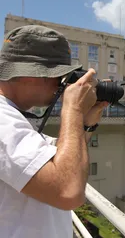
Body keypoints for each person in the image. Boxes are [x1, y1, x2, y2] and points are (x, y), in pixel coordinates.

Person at [0, 25, 108, 238]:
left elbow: (61, 160)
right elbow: (67, 192)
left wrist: (86, 123)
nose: (62, 86)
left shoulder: (12, 117)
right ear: (31, 75)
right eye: (58, 77)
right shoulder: (3, 121)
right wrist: (73, 109)